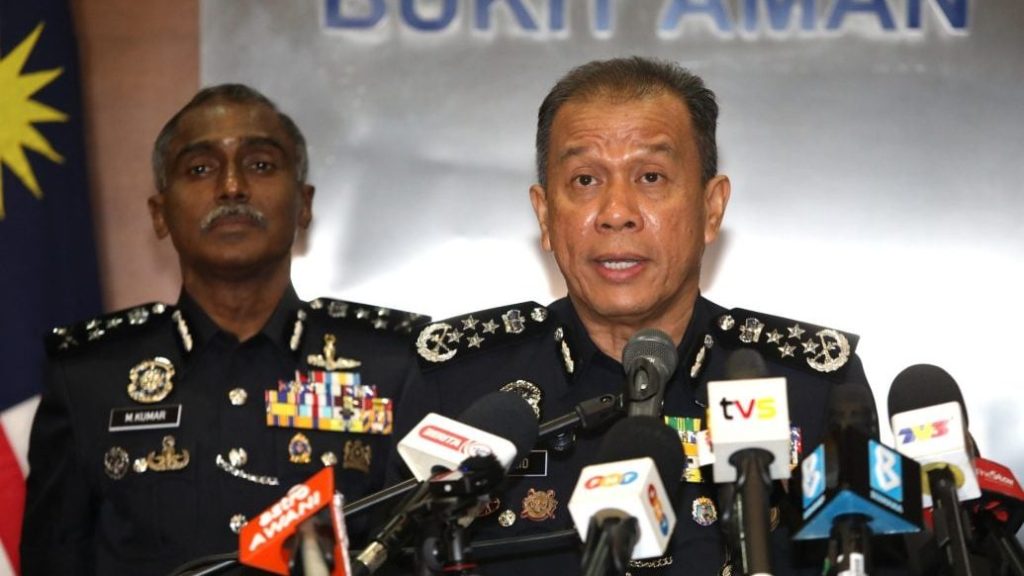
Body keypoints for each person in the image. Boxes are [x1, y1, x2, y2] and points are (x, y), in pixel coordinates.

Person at [395, 57, 876, 575]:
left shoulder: (808, 387)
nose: (616, 212)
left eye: (650, 176)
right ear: (545, 215)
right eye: (585, 179)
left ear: (711, 208)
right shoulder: (460, 389)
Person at [21, 84, 427, 575]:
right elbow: (54, 561)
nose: (232, 187)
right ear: (160, 214)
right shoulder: (89, 376)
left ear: (304, 205)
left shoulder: (392, 366)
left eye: (260, 164)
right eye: (200, 169)